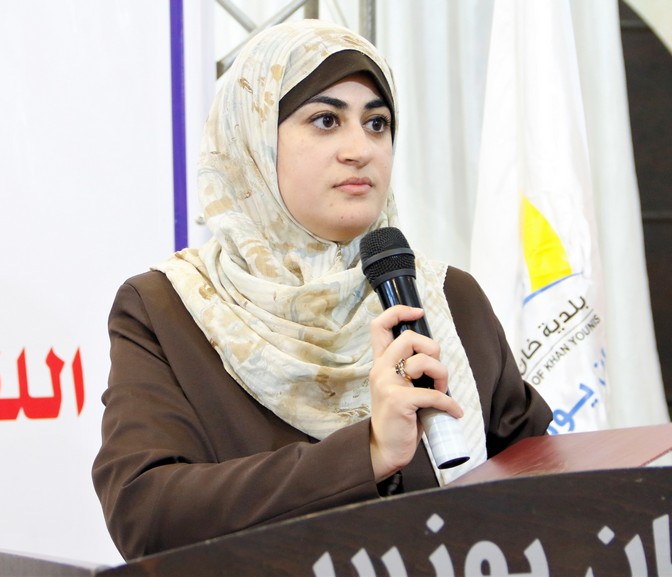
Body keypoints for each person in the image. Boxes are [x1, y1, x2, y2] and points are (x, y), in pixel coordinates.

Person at [92, 19, 552, 560]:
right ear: (254, 141)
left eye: (377, 123)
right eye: (326, 120)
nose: (361, 149)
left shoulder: (448, 299)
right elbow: (146, 514)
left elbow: (543, 486)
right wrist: (368, 451)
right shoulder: (170, 309)